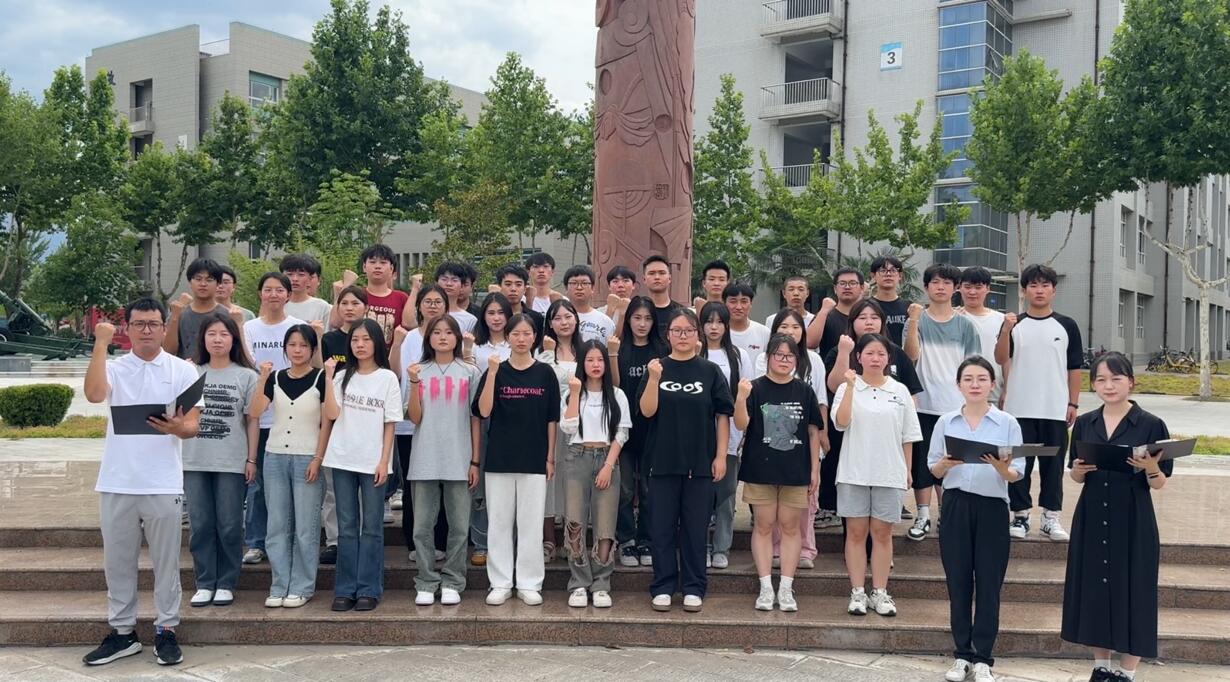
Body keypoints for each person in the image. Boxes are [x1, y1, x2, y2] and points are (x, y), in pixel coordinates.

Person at [82, 298, 202, 667]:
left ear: (164, 328)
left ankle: (166, 629)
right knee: (117, 562)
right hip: (117, 480)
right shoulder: (115, 368)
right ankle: (122, 632)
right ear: (128, 329)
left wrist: (177, 427)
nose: (146, 330)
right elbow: (94, 394)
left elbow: (193, 426)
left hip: (163, 482)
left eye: (153, 324)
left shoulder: (182, 370)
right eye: (139, 324)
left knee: (166, 563)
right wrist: (101, 343)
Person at [1062, 352, 1172, 682]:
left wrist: (1150, 467)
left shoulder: (1150, 424)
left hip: (1133, 518)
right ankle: (1101, 665)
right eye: (1101, 380)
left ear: (1131, 382)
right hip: (1092, 515)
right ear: (1093, 385)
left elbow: (1160, 482)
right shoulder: (1085, 423)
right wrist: (1078, 470)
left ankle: (1127, 671)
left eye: (1116, 378)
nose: (1108, 386)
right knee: (1095, 588)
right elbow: (1075, 475)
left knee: (1135, 589)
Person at [927, 356, 1024, 682]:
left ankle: (983, 658)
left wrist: (1001, 468)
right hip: (956, 505)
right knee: (957, 582)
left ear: (992, 384)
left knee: (989, 583)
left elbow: (1016, 474)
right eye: (968, 379)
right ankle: (962, 656)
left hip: (992, 508)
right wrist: (945, 464)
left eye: (982, 379)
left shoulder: (1007, 423)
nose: (975, 385)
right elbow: (933, 469)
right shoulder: (946, 422)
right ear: (958, 385)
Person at [639, 308, 734, 613]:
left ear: (697, 335)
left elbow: (722, 416)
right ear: (668, 335)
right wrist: (654, 379)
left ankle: (694, 586)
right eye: (677, 331)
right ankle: (663, 586)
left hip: (700, 463)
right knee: (662, 528)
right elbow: (647, 411)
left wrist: (721, 456)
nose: (683, 336)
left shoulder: (710, 371)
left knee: (695, 529)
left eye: (689, 331)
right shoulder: (656, 368)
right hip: (662, 462)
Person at [832, 333, 922, 618]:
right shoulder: (847, 387)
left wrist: (907, 469)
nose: (875, 358)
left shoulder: (900, 390)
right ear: (858, 356)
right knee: (856, 533)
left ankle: (880, 592)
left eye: (881, 354)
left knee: (883, 534)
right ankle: (857, 591)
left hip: (889, 471)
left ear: (888, 359)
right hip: (854, 471)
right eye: (869, 353)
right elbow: (841, 422)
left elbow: (909, 435)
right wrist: (850, 386)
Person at [473, 314, 561, 606]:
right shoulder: (495, 370)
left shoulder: (545, 374)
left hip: (534, 459)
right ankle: (499, 582)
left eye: (527, 333)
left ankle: (529, 582)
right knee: (499, 523)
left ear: (535, 337)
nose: (521, 339)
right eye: (516, 334)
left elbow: (552, 419)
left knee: (530, 524)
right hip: (499, 459)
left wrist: (550, 457)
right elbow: (483, 411)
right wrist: (492, 374)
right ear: (507, 337)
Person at [734, 334, 824, 613]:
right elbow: (741, 424)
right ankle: (765, 586)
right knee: (763, 525)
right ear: (768, 357)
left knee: (790, 526)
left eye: (789, 356)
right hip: (760, 468)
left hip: (795, 469)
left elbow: (813, 432)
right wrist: (741, 398)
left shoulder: (804, 391)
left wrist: (815, 469)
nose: (784, 360)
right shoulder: (755, 388)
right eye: (779, 355)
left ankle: (786, 586)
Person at [996, 263, 1082, 542]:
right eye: (1033, 285)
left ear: (1054, 290)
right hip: (1018, 408)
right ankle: (1020, 516)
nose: (1039, 290)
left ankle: (1050, 517)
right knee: (1019, 465)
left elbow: (1074, 368)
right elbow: (1000, 358)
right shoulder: (1014, 324)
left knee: (1053, 467)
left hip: (1054, 409)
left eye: (1045, 285)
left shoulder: (1067, 325)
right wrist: (1006, 330)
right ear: (1024, 291)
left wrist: (1073, 403)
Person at [322, 319, 402, 612]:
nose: (360, 344)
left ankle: (369, 588)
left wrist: (384, 461)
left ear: (376, 342)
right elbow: (331, 414)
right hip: (341, 458)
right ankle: (345, 589)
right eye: (355, 339)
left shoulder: (387, 378)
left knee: (371, 527)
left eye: (366, 339)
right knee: (346, 527)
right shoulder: (342, 376)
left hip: (373, 461)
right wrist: (328, 376)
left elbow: (390, 424)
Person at [824, 299, 925, 529]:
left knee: (882, 530)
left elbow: (910, 399)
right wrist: (845, 352)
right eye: (862, 317)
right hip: (851, 441)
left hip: (887, 446)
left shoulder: (896, 354)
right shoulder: (841, 350)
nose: (869, 322)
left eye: (874, 317)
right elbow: (834, 386)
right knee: (854, 528)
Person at [248, 324, 329, 609]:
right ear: (284, 348)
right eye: (292, 345)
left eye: (304, 345)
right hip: (275, 457)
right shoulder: (275, 378)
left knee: (306, 527)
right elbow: (255, 411)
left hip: (307, 457)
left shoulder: (322, 378)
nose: (297, 350)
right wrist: (262, 378)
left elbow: (327, 422)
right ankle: (279, 584)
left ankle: (302, 586)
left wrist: (318, 458)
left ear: (313, 349)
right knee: (277, 525)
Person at [182, 314, 259, 610]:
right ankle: (204, 583)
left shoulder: (246, 376)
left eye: (224, 334)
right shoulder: (190, 372)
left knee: (229, 525)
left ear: (233, 340)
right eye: (211, 334)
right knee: (200, 524)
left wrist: (251, 459)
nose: (217, 339)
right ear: (202, 339)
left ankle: (226, 582)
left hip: (231, 460)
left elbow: (252, 421)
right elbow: (178, 415)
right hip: (194, 460)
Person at [406, 315, 483, 606]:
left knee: (460, 526)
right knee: (422, 527)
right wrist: (414, 383)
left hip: (459, 457)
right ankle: (426, 580)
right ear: (428, 338)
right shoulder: (418, 370)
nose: (442, 337)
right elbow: (414, 418)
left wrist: (475, 460)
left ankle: (453, 580)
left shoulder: (469, 372)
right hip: (424, 456)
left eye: (448, 332)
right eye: (436, 332)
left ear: (457, 338)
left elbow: (475, 418)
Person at [904, 264, 981, 542]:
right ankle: (923, 515)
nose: (941, 287)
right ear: (926, 287)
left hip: (955, 408)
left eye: (947, 282)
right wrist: (914, 321)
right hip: (922, 404)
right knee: (923, 463)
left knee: (951, 462)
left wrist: (973, 403)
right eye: (935, 282)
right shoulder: (916, 320)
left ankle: (946, 514)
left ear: (955, 288)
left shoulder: (966, 325)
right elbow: (910, 356)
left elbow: (973, 368)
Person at [560, 339, 632, 608]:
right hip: (576, 457)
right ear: (582, 363)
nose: (595, 365)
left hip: (606, 458)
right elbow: (568, 428)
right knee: (575, 521)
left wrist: (608, 466)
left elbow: (621, 433)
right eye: (589, 360)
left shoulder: (617, 395)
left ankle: (601, 582)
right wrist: (574, 393)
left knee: (605, 523)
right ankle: (579, 582)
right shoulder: (571, 393)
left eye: (600, 360)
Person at [241, 273, 307, 566]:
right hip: (260, 417)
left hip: (295, 419)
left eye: (279, 290)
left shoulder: (299, 327)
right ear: (260, 294)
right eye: (268, 289)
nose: (273, 295)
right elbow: (247, 365)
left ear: (288, 295)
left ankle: (291, 539)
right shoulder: (248, 328)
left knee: (293, 485)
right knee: (257, 484)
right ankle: (256, 542)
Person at [757, 309, 830, 567]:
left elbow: (821, 401)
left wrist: (823, 434)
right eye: (784, 326)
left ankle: (806, 549)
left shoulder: (814, 360)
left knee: (806, 500)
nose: (790, 331)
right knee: (774, 503)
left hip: (805, 441)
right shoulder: (764, 359)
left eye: (796, 327)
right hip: (772, 441)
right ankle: (777, 549)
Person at [389, 285, 452, 561]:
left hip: (444, 421)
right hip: (409, 423)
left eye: (438, 301)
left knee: (442, 481)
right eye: (428, 301)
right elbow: (395, 373)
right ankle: (414, 542)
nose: (433, 306)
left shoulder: (451, 336)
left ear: (446, 306)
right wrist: (396, 345)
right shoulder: (409, 338)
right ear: (419, 306)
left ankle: (441, 539)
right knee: (413, 482)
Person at [614, 296, 667, 568]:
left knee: (648, 490)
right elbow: (613, 386)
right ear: (628, 320)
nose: (642, 324)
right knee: (624, 489)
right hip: (624, 430)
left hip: (653, 431)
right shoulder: (620, 350)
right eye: (637, 318)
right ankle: (626, 539)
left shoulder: (662, 350)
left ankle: (646, 538)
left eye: (647, 318)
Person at [318, 286, 368, 565]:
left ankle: (359, 536)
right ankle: (335, 540)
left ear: (365, 307)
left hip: (365, 418)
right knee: (333, 487)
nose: (349, 308)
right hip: (335, 417)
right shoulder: (329, 339)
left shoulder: (372, 337)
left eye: (355, 303)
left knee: (362, 487)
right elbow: (320, 375)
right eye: (344, 303)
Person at [699, 302, 751, 570]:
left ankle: (721, 547)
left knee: (726, 494)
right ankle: (700, 545)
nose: (714, 327)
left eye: (719, 322)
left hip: (729, 432)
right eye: (709, 321)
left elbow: (746, 394)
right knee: (699, 495)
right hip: (697, 434)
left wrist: (743, 431)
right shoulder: (695, 352)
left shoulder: (738, 355)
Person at [469, 293, 515, 566]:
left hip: (511, 420)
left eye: (501, 313)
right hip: (481, 418)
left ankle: (509, 541)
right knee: (482, 485)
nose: (496, 318)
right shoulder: (475, 347)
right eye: (491, 313)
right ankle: (481, 542)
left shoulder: (517, 343)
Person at [538, 299, 585, 563]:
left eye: (568, 316)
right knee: (550, 479)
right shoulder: (543, 351)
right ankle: (548, 539)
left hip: (580, 424)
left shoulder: (585, 350)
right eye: (557, 318)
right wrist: (547, 353)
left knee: (574, 479)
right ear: (550, 323)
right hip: (549, 423)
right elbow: (542, 381)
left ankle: (572, 538)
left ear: (576, 319)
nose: (564, 322)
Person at [329, 244, 414, 342]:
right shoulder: (356, 295)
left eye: (383, 262)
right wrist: (344, 289)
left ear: (391, 268)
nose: (377, 266)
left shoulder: (401, 298)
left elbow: (411, 325)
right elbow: (335, 323)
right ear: (364, 267)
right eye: (372, 262)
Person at [957, 266, 1008, 405]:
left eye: (978, 287)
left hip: (993, 394)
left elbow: (1007, 359)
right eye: (967, 287)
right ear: (959, 288)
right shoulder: (952, 318)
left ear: (988, 289)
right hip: (958, 395)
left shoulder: (1001, 320)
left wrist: (1006, 390)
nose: (972, 292)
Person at [164, 257, 226, 359]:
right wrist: (175, 317)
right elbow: (168, 351)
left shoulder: (226, 315)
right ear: (190, 282)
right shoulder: (179, 313)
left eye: (209, 280)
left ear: (218, 284)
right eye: (198, 279)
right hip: (185, 368)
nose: (203, 284)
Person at [806, 267, 866, 359]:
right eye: (842, 283)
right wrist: (824, 311)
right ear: (835, 288)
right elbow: (809, 342)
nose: (847, 287)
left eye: (852, 283)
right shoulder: (826, 316)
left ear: (862, 288)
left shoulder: (869, 316)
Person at [563, 265, 616, 342]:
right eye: (574, 283)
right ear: (566, 288)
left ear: (592, 288)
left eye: (584, 283)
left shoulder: (606, 321)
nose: (579, 288)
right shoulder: (558, 319)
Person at [724, 282, 771, 368]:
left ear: (751, 304)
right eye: (733, 301)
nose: (738, 307)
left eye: (744, 302)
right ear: (724, 303)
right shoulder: (718, 332)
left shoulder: (764, 332)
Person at [868, 255, 912, 347]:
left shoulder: (909, 307)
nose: (888, 274)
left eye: (893, 270)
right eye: (883, 271)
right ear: (873, 276)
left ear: (900, 276)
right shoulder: (866, 306)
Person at [281, 254, 333, 329]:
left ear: (310, 278)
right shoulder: (276, 304)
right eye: (289, 274)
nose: (295, 279)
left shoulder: (322, 307)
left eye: (301, 275)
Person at [493, 263, 545, 338]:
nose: (513, 289)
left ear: (525, 289)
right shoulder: (492, 317)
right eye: (508, 284)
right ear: (500, 287)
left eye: (518, 284)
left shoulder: (536, 318)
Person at [643, 255, 681, 339]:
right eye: (651, 273)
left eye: (662, 273)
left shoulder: (680, 312)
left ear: (669, 278)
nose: (657, 277)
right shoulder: (636, 311)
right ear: (644, 279)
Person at [435, 262, 478, 334]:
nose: (449, 284)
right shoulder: (428, 312)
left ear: (462, 286)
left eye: (454, 280)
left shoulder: (470, 320)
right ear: (436, 283)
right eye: (444, 279)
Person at [597, 265, 637, 331]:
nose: (620, 285)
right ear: (609, 286)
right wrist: (610, 312)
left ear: (633, 285)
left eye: (626, 281)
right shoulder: (599, 313)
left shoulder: (639, 311)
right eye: (615, 281)